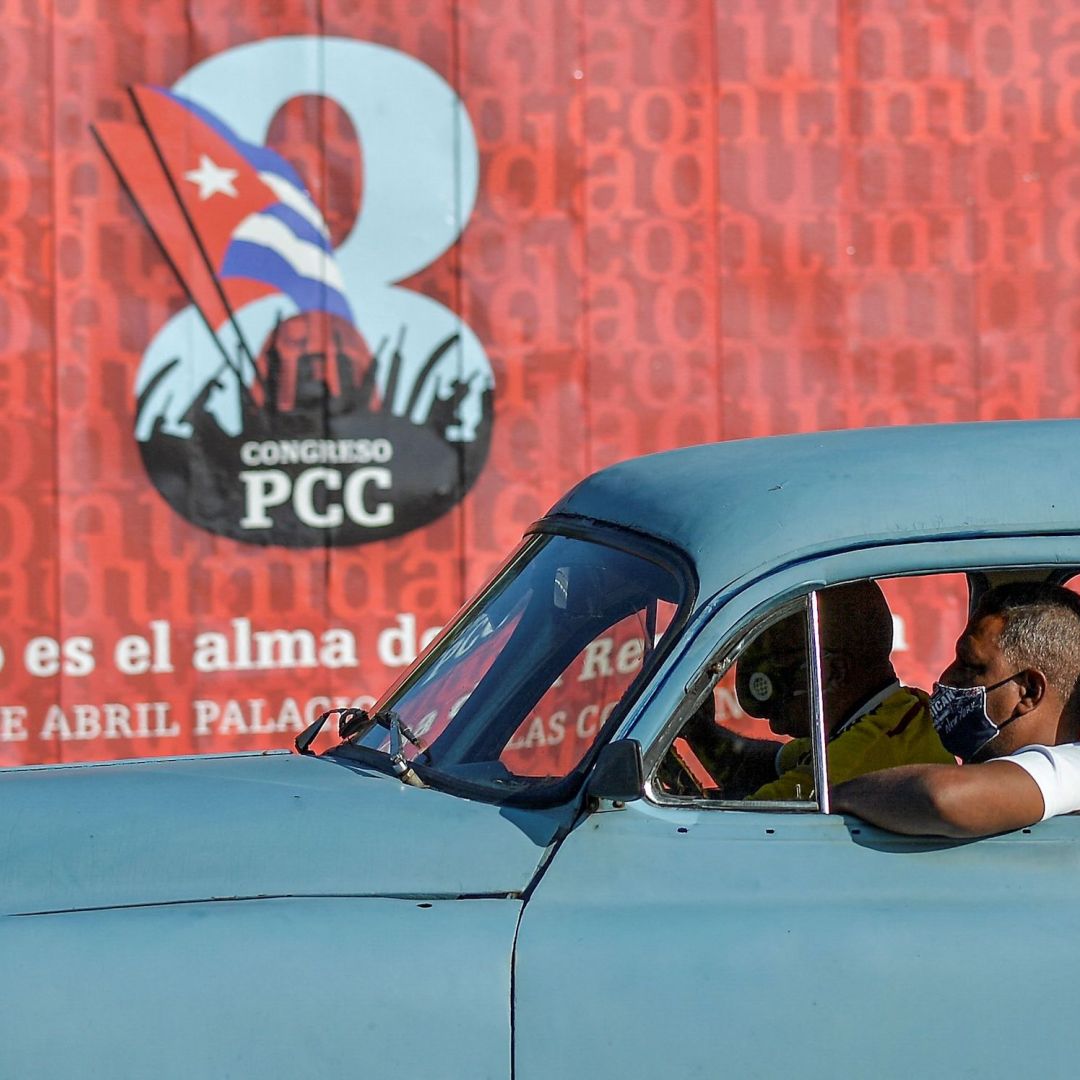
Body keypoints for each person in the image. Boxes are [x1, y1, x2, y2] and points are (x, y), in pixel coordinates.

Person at [660, 580, 952, 799]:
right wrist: (700, 731)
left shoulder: (857, 762)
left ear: (832, 673)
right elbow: (770, 767)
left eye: (778, 662)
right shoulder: (889, 716)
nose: (762, 676)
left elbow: (740, 828)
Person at [832, 582, 1080, 837]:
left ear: (1028, 691)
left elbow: (942, 797)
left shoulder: (1075, 766)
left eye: (970, 666)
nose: (947, 677)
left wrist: (832, 798)